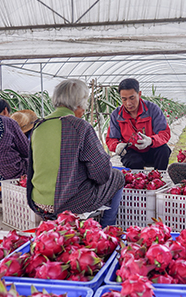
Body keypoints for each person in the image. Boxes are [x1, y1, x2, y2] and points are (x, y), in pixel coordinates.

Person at [27, 79, 124, 227]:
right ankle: (107, 228)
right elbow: (102, 173)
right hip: (67, 203)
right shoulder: (79, 126)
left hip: (38, 202)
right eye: (84, 102)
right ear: (78, 102)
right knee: (117, 176)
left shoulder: (39, 125)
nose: (85, 108)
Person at [105, 78, 171, 170]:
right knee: (134, 161)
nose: (128, 103)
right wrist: (117, 146)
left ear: (139, 94)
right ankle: (137, 180)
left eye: (132, 98)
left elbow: (164, 133)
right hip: (132, 152)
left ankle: (159, 177)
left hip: (151, 149)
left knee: (164, 150)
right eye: (124, 99)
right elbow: (111, 139)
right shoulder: (117, 115)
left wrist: (150, 141)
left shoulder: (152, 110)